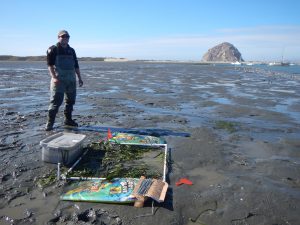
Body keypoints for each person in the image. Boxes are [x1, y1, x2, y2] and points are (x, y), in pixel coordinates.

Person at [45, 30, 83, 131]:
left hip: (71, 80)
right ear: (58, 37)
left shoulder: (72, 50)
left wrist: (79, 78)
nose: (65, 38)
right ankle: (49, 124)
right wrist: (54, 77)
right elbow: (50, 65)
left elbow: (76, 65)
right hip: (58, 81)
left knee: (70, 101)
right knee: (55, 103)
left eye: (67, 37)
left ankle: (68, 120)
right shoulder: (53, 49)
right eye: (62, 36)